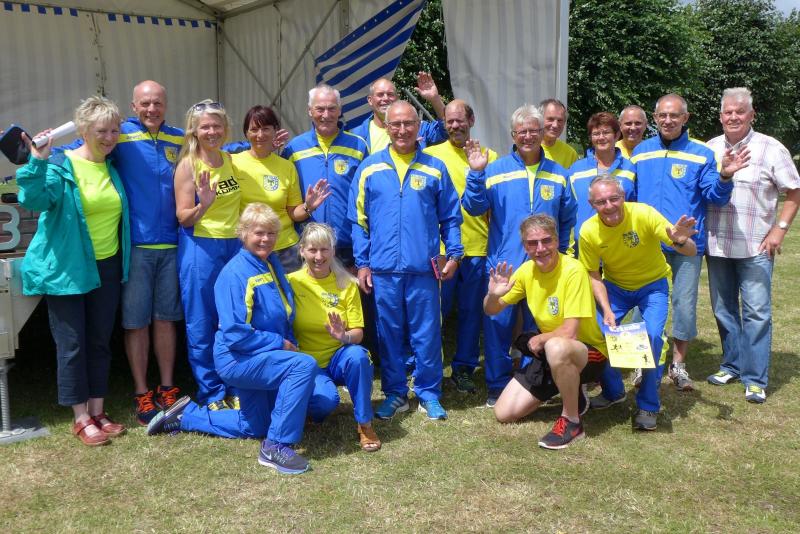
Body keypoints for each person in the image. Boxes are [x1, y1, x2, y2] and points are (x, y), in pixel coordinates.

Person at [148, 203, 317, 475]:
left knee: (255, 426)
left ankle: (186, 416)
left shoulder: (270, 262)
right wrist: (280, 344)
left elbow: (281, 313)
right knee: (303, 366)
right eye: (259, 233)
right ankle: (275, 446)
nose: (266, 239)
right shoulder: (235, 273)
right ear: (243, 233)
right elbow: (234, 333)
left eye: (271, 233)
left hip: (258, 355)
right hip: (237, 359)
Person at [53, 81, 185, 425]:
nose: (152, 109)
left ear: (166, 104)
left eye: (158, 103)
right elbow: (80, 146)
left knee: (166, 320)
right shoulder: (119, 134)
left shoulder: (178, 138)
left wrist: (257, 143)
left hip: (172, 243)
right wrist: (41, 149)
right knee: (136, 322)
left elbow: (214, 142)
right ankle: (142, 393)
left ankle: (167, 388)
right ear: (133, 105)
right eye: (145, 103)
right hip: (135, 246)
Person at [17, 96, 130, 446]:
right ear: (82, 130)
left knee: (99, 341)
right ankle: (80, 418)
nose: (109, 138)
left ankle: (98, 410)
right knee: (72, 345)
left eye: (114, 130)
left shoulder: (112, 167)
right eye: (101, 131)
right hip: (68, 267)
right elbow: (33, 200)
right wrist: (37, 161)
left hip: (107, 265)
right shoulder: (61, 165)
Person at [348, 100, 463, 420]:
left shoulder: (435, 167)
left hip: (424, 269)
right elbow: (358, 221)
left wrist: (454, 254)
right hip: (383, 269)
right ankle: (396, 392)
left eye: (408, 123)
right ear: (386, 127)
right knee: (389, 334)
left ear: (418, 127)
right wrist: (363, 263)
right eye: (395, 124)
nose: (402, 130)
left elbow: (451, 217)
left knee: (427, 333)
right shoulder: (369, 167)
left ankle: (429, 392)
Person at [631, 93, 748, 391]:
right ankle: (641, 362)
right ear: (655, 118)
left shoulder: (701, 153)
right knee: (642, 304)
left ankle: (678, 364)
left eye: (674, 115)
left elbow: (714, 196)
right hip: (647, 245)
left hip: (686, 245)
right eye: (662, 115)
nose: (668, 120)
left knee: (683, 304)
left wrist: (724, 177)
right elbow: (629, 197)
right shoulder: (641, 152)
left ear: (685, 118)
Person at [462, 103, 576, 406]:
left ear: (542, 133)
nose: (528, 136)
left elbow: (567, 218)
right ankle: (497, 385)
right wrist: (475, 174)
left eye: (533, 131)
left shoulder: (558, 174)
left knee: (538, 328)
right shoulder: (495, 170)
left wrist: (562, 253)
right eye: (521, 131)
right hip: (505, 265)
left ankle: (533, 382)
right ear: (513, 135)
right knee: (498, 326)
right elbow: (473, 207)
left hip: (545, 267)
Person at [580, 176, 698, 430]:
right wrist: (607, 310)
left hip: (652, 286)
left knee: (652, 338)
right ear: (592, 204)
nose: (609, 206)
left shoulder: (644, 213)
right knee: (596, 333)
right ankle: (613, 391)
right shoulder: (588, 231)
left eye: (614, 198)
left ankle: (648, 405)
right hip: (615, 288)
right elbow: (592, 274)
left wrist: (679, 240)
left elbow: (690, 251)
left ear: (623, 197)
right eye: (601, 202)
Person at [705, 87, 800, 403]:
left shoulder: (771, 148)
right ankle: (732, 364)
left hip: (756, 247)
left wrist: (779, 230)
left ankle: (755, 378)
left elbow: (794, 191)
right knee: (723, 310)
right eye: (728, 112)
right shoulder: (710, 149)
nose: (733, 117)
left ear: (751, 115)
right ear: (721, 116)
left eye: (740, 111)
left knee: (757, 312)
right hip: (717, 245)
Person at [486, 215, 608, 449]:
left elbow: (570, 332)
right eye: (532, 243)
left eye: (546, 241)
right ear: (525, 246)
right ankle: (570, 389)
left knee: (556, 346)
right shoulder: (526, 271)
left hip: (588, 352)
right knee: (504, 413)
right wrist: (493, 295)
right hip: (551, 353)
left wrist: (540, 338)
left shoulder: (573, 270)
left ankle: (572, 422)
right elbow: (491, 310)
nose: (540, 248)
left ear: (557, 241)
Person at [424, 99, 498, 394]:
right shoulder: (430, 155)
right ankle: (426, 367)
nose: (454, 125)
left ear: (472, 120)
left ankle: (464, 369)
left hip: (478, 248)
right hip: (442, 250)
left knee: (470, 314)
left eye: (459, 120)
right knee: (435, 313)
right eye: (449, 121)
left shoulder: (489, 156)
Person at [288, 223, 380, 451]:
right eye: (312, 250)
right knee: (324, 403)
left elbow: (358, 334)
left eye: (324, 249)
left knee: (359, 356)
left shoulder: (347, 284)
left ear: (333, 250)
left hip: (339, 357)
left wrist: (343, 335)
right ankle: (308, 405)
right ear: (302, 251)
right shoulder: (291, 282)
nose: (319, 257)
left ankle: (365, 424)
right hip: (307, 363)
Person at [174, 99, 242, 410]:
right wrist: (204, 204)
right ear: (194, 131)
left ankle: (234, 383)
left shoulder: (230, 160)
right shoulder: (188, 165)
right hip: (200, 246)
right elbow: (183, 217)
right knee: (201, 321)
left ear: (225, 129)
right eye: (205, 127)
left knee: (232, 318)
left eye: (217, 126)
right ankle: (211, 390)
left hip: (233, 246)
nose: (212, 131)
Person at [233, 104, 330, 272]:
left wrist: (308, 206)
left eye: (266, 129)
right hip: (249, 248)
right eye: (254, 129)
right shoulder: (233, 163)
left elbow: (294, 213)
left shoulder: (286, 167)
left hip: (286, 250)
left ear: (275, 131)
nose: (260, 135)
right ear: (246, 133)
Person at [282, 85, 367, 267]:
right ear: (310, 111)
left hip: (347, 245)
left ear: (340, 110)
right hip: (309, 246)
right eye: (320, 109)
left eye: (331, 108)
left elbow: (368, 198)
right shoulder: (294, 148)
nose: (326, 115)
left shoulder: (359, 146)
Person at [567, 112, 636, 258]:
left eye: (606, 132)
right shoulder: (575, 170)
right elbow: (567, 208)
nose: (601, 137)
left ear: (617, 135)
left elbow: (636, 207)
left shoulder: (630, 168)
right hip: (584, 247)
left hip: (619, 249)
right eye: (596, 133)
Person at [348, 72, 447, 154]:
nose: (385, 98)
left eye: (390, 94)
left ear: (397, 98)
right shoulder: (357, 135)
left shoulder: (417, 127)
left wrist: (435, 99)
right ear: (370, 100)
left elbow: (446, 130)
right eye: (380, 95)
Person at [539, 98, 579, 169]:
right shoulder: (528, 150)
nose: (555, 125)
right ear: (539, 120)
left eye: (560, 120)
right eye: (550, 119)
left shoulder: (570, 154)